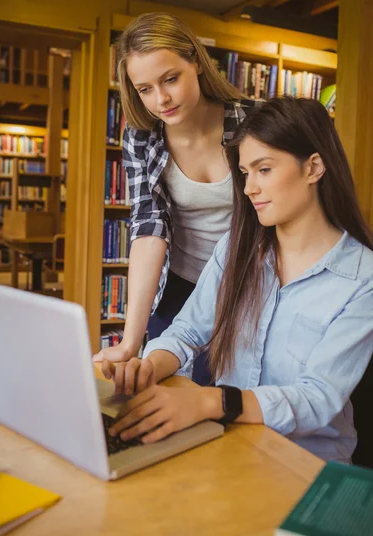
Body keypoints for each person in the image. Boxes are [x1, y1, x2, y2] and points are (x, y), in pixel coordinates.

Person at [98, 97, 373, 463]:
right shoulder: (235, 248)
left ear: (314, 168)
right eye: (245, 173)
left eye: (264, 170)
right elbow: (187, 332)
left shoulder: (362, 278)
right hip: (231, 446)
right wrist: (148, 368)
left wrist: (211, 400)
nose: (248, 189)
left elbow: (317, 398)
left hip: (306, 466)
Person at [94, 12, 247, 384]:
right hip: (178, 286)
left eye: (171, 79)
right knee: (165, 387)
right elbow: (148, 229)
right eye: (145, 89)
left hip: (245, 285)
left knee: (228, 392)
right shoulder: (141, 138)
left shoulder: (254, 124)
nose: (161, 99)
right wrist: (131, 340)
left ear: (195, 60)